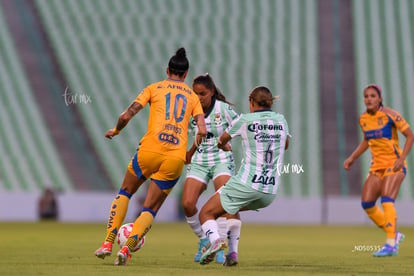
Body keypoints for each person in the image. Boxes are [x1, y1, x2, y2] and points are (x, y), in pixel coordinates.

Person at [94, 47, 207, 266]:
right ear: (186, 74)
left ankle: (108, 242)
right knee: (150, 208)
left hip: (148, 151)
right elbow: (202, 130)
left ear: (167, 70)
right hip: (174, 158)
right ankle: (126, 250)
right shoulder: (193, 97)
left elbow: (126, 115)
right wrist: (190, 152)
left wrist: (116, 131)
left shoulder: (154, 88)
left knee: (125, 191)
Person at [198, 86, 290, 265]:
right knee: (229, 210)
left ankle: (216, 241)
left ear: (251, 102)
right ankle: (232, 255)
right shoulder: (281, 120)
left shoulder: (245, 120)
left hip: (247, 184)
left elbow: (222, 140)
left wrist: (223, 145)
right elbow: (285, 144)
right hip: (269, 192)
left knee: (206, 213)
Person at [344, 84, 413, 257]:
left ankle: (391, 244)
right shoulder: (364, 119)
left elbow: (410, 136)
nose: (369, 99)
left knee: (387, 200)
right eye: (366, 96)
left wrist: (401, 158)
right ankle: (395, 234)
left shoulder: (390, 115)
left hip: (394, 164)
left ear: (380, 98)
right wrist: (352, 158)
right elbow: (367, 140)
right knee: (367, 204)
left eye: (373, 96)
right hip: (377, 167)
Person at [181, 73, 241, 265]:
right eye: (195, 93)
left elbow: (240, 126)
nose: (198, 98)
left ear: (212, 92)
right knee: (187, 204)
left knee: (223, 203)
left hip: (221, 159)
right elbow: (197, 135)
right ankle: (205, 240)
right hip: (199, 160)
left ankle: (221, 248)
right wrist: (190, 151)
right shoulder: (191, 109)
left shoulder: (222, 109)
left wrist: (226, 141)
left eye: (202, 94)